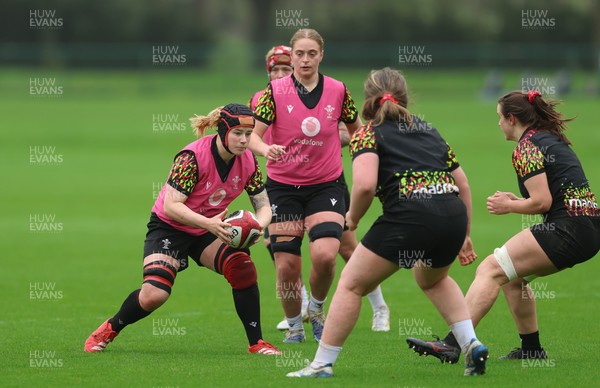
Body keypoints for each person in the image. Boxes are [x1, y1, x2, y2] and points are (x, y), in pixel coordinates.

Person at [287, 67, 488, 378]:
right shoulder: (427, 128)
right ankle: (471, 344)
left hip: (410, 216)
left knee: (352, 285)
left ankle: (321, 364)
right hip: (452, 215)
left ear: (368, 99)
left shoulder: (368, 132)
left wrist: (351, 217)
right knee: (433, 279)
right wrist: (466, 234)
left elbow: (365, 185)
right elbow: (462, 184)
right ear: (405, 97)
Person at [407, 90, 600, 364]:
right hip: (588, 227)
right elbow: (550, 196)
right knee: (512, 278)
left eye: (499, 117)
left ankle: (452, 344)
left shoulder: (526, 147)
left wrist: (508, 206)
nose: (498, 123)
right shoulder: (547, 139)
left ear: (512, 118)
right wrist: (518, 200)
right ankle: (531, 349)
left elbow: (542, 202)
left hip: (567, 228)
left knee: (490, 269)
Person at [84, 103, 281, 356]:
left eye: (248, 134)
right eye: (237, 134)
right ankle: (111, 327)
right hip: (170, 227)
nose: (244, 141)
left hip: (209, 229)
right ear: (222, 131)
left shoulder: (249, 162)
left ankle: (257, 343)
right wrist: (209, 223)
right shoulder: (192, 157)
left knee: (242, 268)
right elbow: (171, 206)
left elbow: (264, 204)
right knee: (154, 295)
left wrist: (257, 226)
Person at [250, 44, 390, 333]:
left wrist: (326, 142)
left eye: (283, 67)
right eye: (273, 69)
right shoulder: (264, 98)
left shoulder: (331, 91)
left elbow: (348, 132)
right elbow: (252, 137)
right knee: (282, 257)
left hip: (325, 183)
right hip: (282, 186)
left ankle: (378, 307)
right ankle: (299, 315)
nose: (279, 73)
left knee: (345, 250)